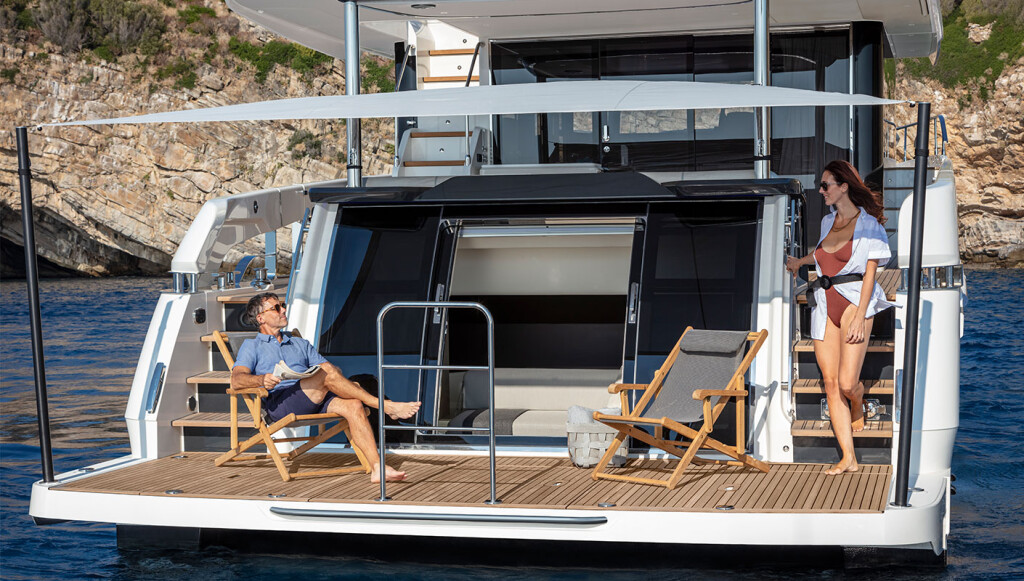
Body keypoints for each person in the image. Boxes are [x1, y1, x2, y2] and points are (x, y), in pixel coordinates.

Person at [231, 292, 421, 483]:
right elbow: (236, 380)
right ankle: (385, 406)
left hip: (313, 396)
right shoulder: (252, 346)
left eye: (283, 305)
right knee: (328, 373)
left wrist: (330, 375)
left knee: (353, 404)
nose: (283, 310)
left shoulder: (299, 343)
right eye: (276, 308)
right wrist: (261, 379)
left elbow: (331, 370)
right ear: (261, 318)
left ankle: (377, 468)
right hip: (282, 403)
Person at [785, 160, 894, 475]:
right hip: (824, 303)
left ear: (844, 186)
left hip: (853, 303)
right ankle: (849, 458)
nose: (821, 191)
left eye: (825, 185)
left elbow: (870, 274)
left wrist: (860, 316)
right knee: (831, 383)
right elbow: (824, 254)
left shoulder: (869, 225)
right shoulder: (826, 221)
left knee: (847, 383)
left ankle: (857, 401)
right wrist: (799, 262)